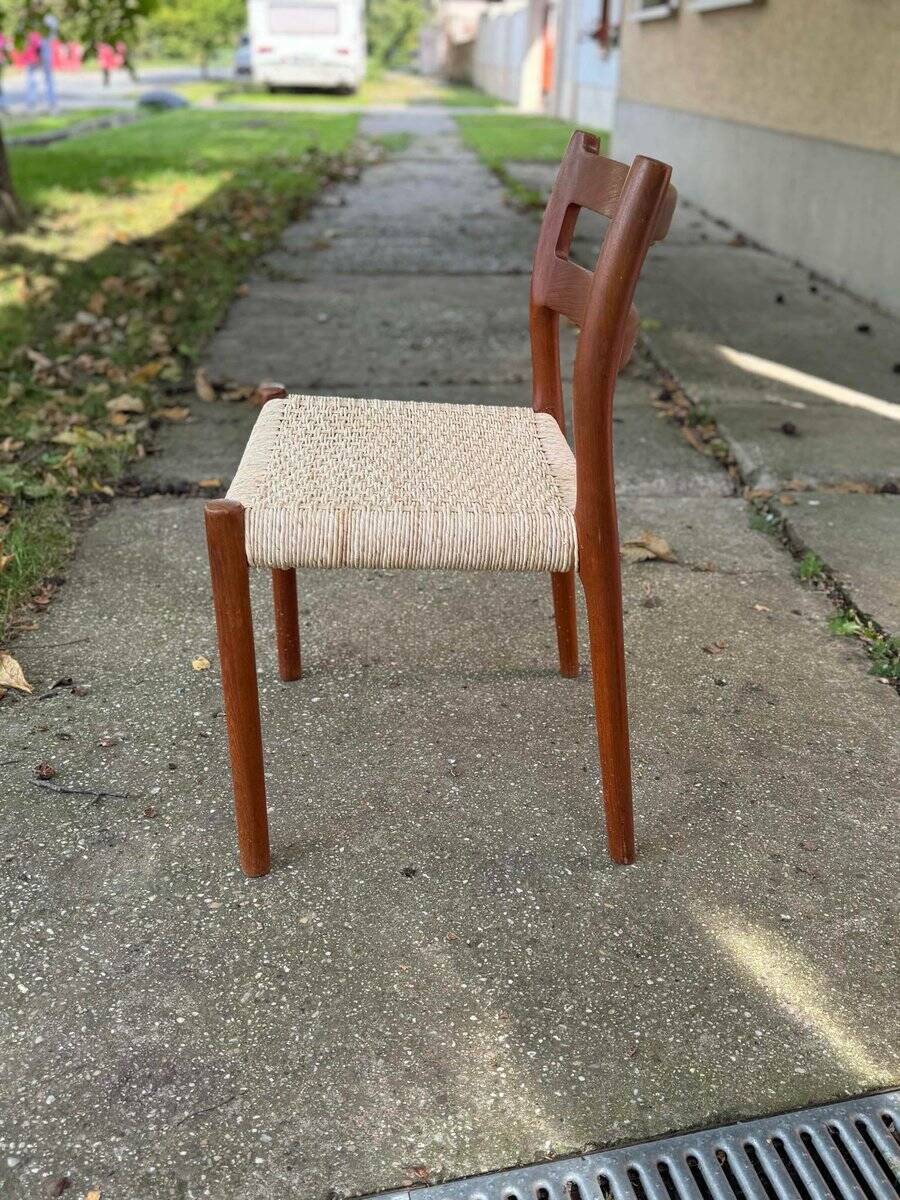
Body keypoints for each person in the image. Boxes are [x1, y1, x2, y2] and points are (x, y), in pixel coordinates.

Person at [25, 15, 58, 112]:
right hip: (38, 56)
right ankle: (46, 101)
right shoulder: (41, 25)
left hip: (38, 56)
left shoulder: (40, 26)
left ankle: (41, 101)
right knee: (38, 80)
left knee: (34, 80)